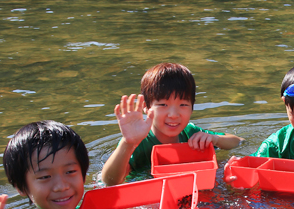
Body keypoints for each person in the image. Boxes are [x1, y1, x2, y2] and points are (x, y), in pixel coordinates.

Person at [101, 62, 244, 186]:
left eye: (183, 104)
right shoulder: (138, 140)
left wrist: (215, 139)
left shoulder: (190, 132)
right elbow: (110, 181)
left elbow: (238, 142)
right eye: (163, 104)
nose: (174, 114)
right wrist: (127, 143)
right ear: (146, 106)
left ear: (192, 106)